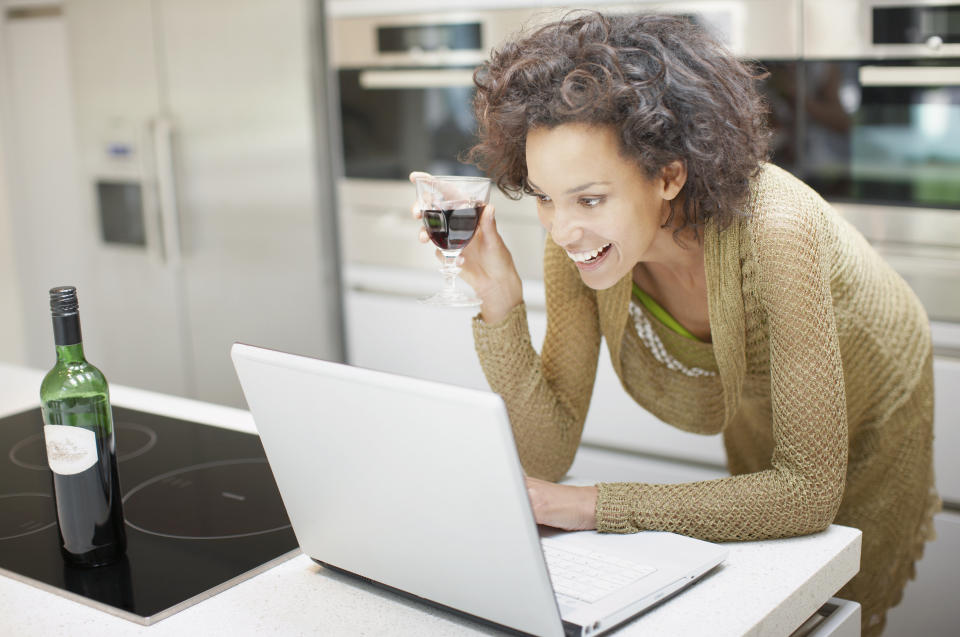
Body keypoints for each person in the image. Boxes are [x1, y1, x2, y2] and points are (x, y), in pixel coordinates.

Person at [410, 12, 938, 636]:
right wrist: (497, 297)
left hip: (878, 395)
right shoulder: (577, 244)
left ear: (668, 175)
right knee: (775, 590)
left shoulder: (775, 232)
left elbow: (805, 493)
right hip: (761, 398)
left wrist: (590, 506)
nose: (562, 228)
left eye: (590, 198)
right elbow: (546, 454)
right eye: (546, 197)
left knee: (837, 602)